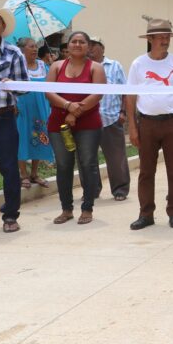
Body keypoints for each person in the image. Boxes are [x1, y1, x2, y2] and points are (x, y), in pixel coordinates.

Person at [127, 18, 173, 230]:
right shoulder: (138, 64)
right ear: (151, 39)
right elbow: (130, 97)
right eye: (160, 37)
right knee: (146, 171)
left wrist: (167, 105)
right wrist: (133, 127)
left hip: (172, 122)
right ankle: (146, 214)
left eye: (167, 37)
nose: (164, 41)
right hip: (147, 123)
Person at [45, 31, 105, 225]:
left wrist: (75, 112)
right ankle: (66, 209)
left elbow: (97, 94)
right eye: (74, 41)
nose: (77, 44)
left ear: (88, 46)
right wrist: (67, 106)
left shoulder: (96, 68)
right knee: (63, 166)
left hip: (88, 123)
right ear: (67, 46)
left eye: (82, 42)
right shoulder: (56, 66)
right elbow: (49, 92)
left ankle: (87, 208)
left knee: (87, 164)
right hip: (58, 124)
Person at [0, 4, 29, 232]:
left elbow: (24, 88)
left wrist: (13, 85)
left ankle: (10, 216)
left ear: (3, 27)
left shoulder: (13, 53)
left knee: (9, 168)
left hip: (2, 119)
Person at [88, 36, 130, 201]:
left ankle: (120, 189)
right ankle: (92, 189)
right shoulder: (83, 66)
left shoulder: (114, 66)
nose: (90, 49)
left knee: (116, 158)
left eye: (94, 46)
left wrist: (123, 112)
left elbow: (125, 91)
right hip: (88, 120)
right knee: (88, 158)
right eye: (88, 45)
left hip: (111, 118)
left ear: (102, 48)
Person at [15, 37, 53, 189]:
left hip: (42, 107)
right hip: (23, 107)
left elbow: (52, 83)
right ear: (22, 49)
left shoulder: (43, 66)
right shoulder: (17, 66)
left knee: (40, 136)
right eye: (31, 46)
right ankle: (23, 174)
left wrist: (54, 65)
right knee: (22, 138)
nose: (35, 49)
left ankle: (35, 173)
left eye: (36, 46)